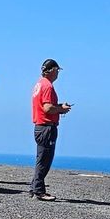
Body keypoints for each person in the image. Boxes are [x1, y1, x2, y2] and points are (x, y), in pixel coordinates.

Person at [30, 58, 71, 200]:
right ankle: (39, 191)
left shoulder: (39, 84)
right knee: (45, 160)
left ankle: (34, 188)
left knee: (41, 158)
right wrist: (61, 109)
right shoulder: (47, 86)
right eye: (57, 70)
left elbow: (44, 105)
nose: (58, 73)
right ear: (52, 70)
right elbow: (47, 108)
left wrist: (58, 106)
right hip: (46, 126)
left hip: (40, 126)